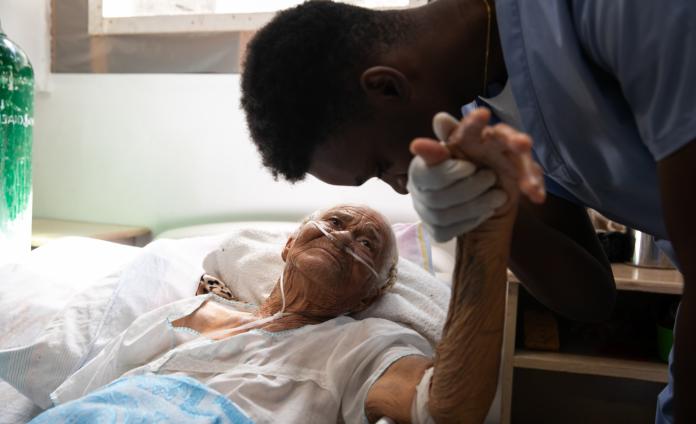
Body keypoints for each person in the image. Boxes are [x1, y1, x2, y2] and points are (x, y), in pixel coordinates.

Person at [239, 1, 696, 422]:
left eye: (381, 167)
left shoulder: (610, 12)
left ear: (386, 86)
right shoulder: (480, 109)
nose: (402, 184)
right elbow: (591, 297)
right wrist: (491, 213)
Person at [40, 152, 533, 424]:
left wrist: (482, 244)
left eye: (368, 244)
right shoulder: (189, 314)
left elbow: (443, 408)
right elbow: (76, 400)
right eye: (337, 222)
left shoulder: (361, 345)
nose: (344, 238)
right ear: (289, 244)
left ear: (369, 295)